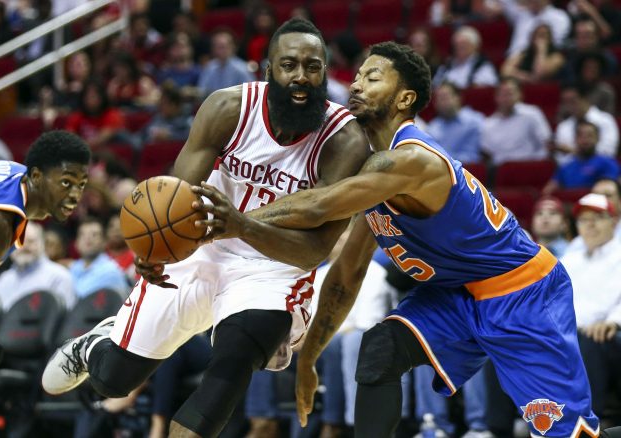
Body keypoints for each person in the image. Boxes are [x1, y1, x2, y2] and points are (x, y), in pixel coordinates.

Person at [196, 42, 621, 438]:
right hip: (455, 296)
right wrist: (308, 359)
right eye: (358, 75)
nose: (357, 83)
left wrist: (229, 221)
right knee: (380, 350)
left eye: (373, 77)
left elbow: (318, 205)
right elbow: (346, 277)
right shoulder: (374, 177)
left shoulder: (414, 161)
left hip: (522, 293)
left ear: (404, 99)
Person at [41, 18, 370, 438]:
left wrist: (242, 226)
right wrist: (151, 252)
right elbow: (174, 200)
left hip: (274, 266)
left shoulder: (343, 142)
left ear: (326, 72)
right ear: (268, 71)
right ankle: (96, 344)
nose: (301, 77)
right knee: (114, 381)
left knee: (234, 363)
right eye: (289, 65)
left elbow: (314, 251)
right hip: (200, 242)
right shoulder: (228, 108)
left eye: (313, 66)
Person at [0, 130, 90, 388]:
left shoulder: (15, 174)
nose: (75, 194)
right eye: (66, 183)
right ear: (38, 177)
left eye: (81, 184)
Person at [561, 193, 621, 418]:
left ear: (614, 222)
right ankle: (498, 426)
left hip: (606, 335)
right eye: (584, 220)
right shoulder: (570, 259)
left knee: (588, 341)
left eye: (598, 217)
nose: (590, 225)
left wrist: (613, 321)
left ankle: (586, 422)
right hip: (570, 334)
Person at [0, 222, 76, 310]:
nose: (24, 247)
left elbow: (65, 319)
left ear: (43, 244)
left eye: (30, 241)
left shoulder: (59, 277)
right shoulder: (4, 279)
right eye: (19, 243)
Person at [543, 120, 620, 194]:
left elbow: (611, 191)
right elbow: (548, 191)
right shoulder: (565, 167)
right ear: (575, 139)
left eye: (590, 135)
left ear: (597, 138)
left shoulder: (608, 163)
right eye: (581, 136)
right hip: (570, 205)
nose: (585, 140)